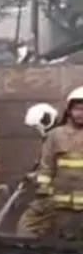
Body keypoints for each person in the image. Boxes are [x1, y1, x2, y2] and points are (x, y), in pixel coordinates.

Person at [28, 88, 83, 240]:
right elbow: (46, 167)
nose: (81, 113)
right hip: (60, 206)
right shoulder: (56, 136)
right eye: (77, 109)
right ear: (69, 110)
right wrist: (43, 194)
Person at [17, 102, 59, 237]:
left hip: (52, 198)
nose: (36, 131)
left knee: (27, 226)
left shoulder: (54, 140)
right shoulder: (56, 138)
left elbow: (54, 170)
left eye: (36, 127)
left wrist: (34, 177)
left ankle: (27, 250)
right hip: (57, 197)